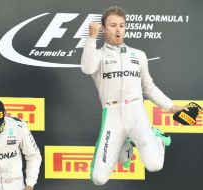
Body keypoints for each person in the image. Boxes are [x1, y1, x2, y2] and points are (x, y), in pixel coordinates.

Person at [81, 6, 188, 185]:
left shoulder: (138, 55)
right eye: (113, 25)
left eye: (121, 25)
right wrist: (91, 38)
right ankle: (125, 145)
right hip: (112, 115)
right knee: (98, 179)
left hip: (136, 112)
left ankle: (158, 139)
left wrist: (172, 107)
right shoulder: (97, 55)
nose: (118, 30)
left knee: (155, 165)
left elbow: (149, 88)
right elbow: (87, 68)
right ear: (103, 28)